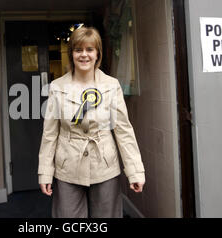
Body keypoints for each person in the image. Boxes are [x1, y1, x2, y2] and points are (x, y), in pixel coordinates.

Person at [38, 26, 145, 218]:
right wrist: (45, 172)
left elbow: (123, 131)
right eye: (78, 50)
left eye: (89, 49)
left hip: (104, 165)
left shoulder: (112, 85)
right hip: (67, 167)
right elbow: (50, 134)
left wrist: (134, 170)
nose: (84, 55)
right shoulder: (57, 87)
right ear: (71, 54)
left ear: (97, 54)